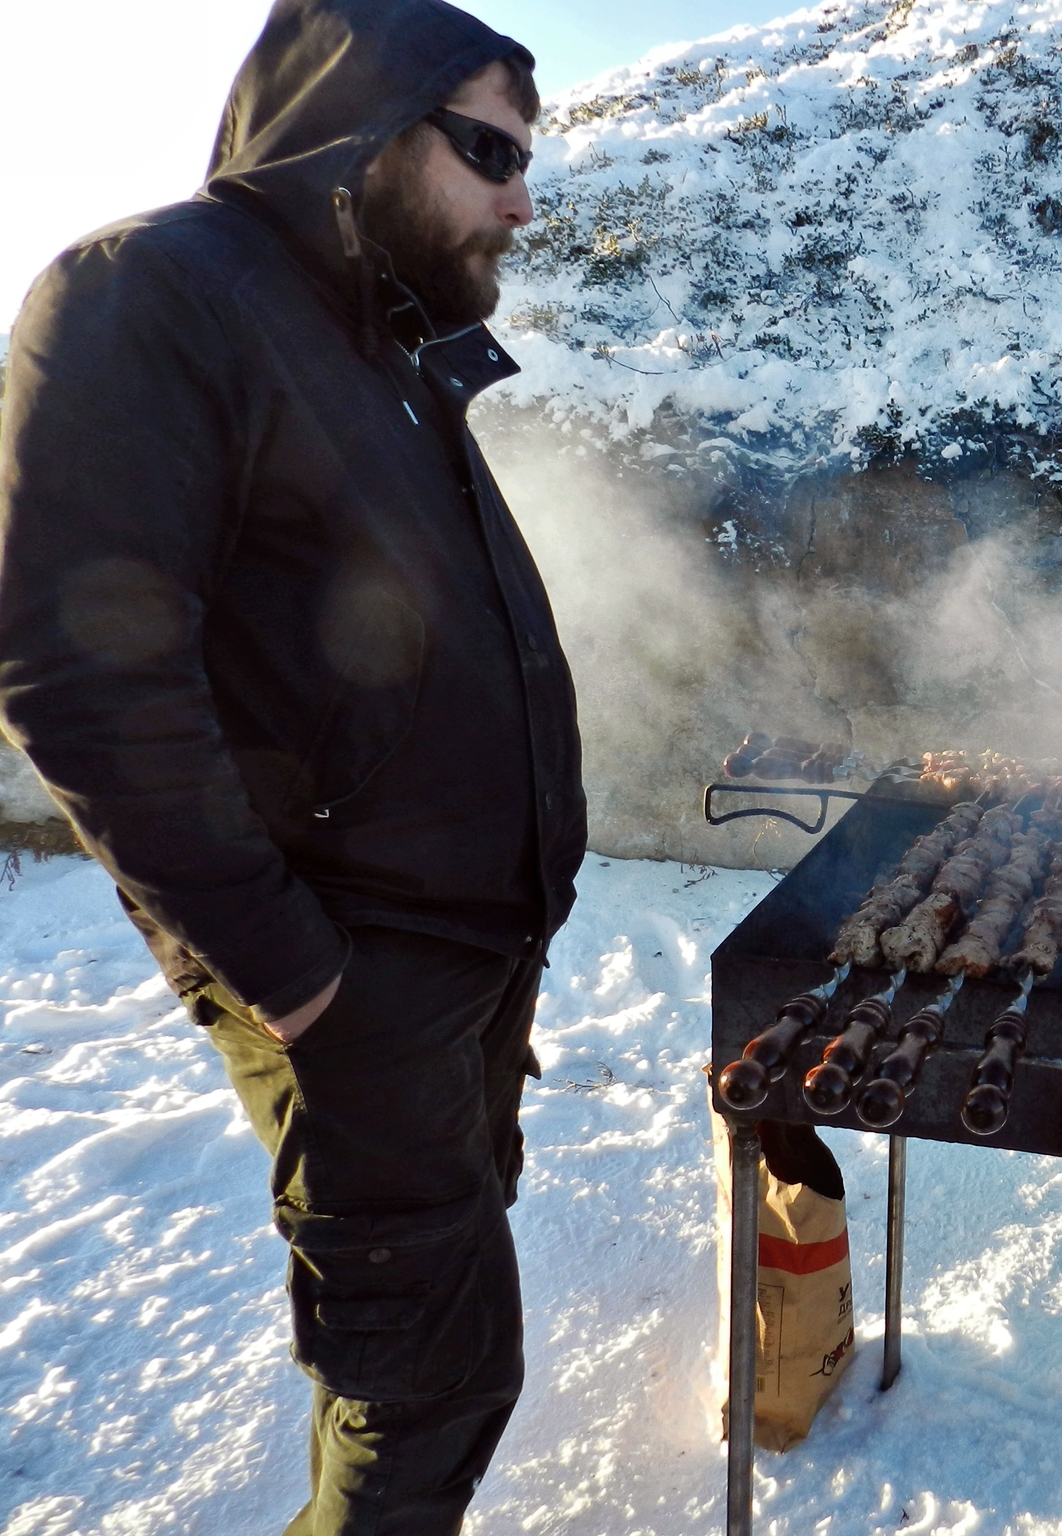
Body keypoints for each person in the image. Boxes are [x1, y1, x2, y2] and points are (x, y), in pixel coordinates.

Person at [0, 1, 585, 1529]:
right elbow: (77, 665)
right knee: (426, 1381)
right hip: (352, 965)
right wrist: (296, 970)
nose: (523, 199)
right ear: (362, 123)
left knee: (432, 1320)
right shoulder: (152, 292)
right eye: (491, 152)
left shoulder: (382, 344)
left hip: (457, 956)